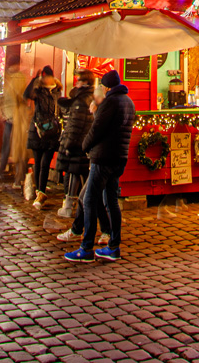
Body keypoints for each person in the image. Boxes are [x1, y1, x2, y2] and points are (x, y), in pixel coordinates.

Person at [65, 69, 134, 263]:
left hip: (103, 157)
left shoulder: (109, 103)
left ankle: (86, 248)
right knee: (111, 200)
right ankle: (114, 246)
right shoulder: (128, 102)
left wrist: (84, 146)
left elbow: (97, 130)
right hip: (120, 157)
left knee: (89, 200)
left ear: (106, 87)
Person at [56, 69, 96, 218]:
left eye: (79, 80)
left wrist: (69, 143)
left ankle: (69, 207)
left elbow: (75, 124)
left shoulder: (81, 100)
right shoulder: (89, 97)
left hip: (78, 142)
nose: (76, 82)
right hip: (86, 142)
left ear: (85, 82)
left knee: (73, 173)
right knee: (84, 175)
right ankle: (86, 206)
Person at [24, 66, 62, 208]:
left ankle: (41, 191)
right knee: (39, 162)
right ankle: (39, 191)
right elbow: (26, 95)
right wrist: (34, 79)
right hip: (37, 130)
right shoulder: (38, 91)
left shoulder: (57, 91)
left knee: (45, 162)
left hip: (51, 131)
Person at [0, 61, 27, 182]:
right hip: (17, 118)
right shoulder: (18, 79)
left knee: (8, 148)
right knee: (19, 149)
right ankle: (19, 178)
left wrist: (2, 113)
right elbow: (19, 98)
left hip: (11, 118)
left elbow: (2, 100)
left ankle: (0, 175)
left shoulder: (10, 81)